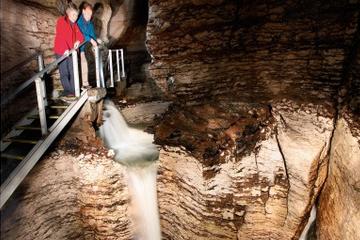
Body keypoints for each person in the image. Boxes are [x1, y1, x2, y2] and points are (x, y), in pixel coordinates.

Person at [54, 2, 84, 97]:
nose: (75, 17)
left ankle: (74, 90)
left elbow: (80, 36)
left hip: (72, 52)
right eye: (73, 15)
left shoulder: (75, 25)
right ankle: (68, 90)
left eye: (77, 15)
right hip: (61, 51)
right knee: (64, 72)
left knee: (73, 70)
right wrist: (64, 49)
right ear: (68, 13)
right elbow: (60, 36)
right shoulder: (61, 21)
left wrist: (78, 41)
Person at [77, 2, 99, 89]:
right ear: (83, 11)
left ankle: (87, 83)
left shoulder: (89, 24)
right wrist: (90, 39)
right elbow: (80, 34)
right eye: (88, 13)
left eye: (91, 14)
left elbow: (92, 35)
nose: (89, 16)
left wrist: (96, 40)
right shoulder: (78, 22)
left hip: (85, 48)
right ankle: (84, 84)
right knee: (83, 63)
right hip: (79, 47)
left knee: (86, 62)